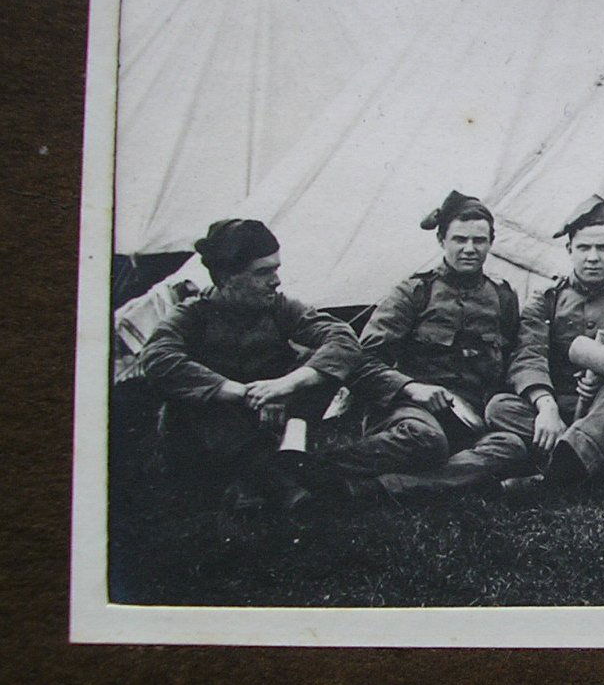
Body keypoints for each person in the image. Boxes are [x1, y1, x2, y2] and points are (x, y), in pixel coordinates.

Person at [287, 191, 530, 505]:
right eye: (459, 239)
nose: (469, 249)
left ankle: (373, 489)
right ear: (442, 240)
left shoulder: (503, 296)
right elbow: (363, 361)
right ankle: (316, 469)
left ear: (490, 244)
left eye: (479, 241)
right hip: (410, 411)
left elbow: (511, 358)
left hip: (470, 417)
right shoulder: (414, 292)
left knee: (511, 446)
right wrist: (412, 388)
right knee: (427, 440)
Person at [138, 219, 361, 516]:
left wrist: (287, 385)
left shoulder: (279, 307)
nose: (276, 281)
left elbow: (342, 338)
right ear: (227, 277)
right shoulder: (192, 315)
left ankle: (278, 459)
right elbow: (157, 357)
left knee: (322, 365)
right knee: (197, 392)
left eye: (276, 269)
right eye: (263, 272)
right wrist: (244, 394)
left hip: (269, 417)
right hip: (209, 431)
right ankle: (273, 482)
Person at [485, 195, 604, 485]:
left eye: (603, 248)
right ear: (569, 250)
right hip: (561, 404)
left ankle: (553, 478)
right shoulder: (546, 299)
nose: (593, 257)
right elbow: (528, 355)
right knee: (499, 407)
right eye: (584, 248)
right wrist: (546, 407)